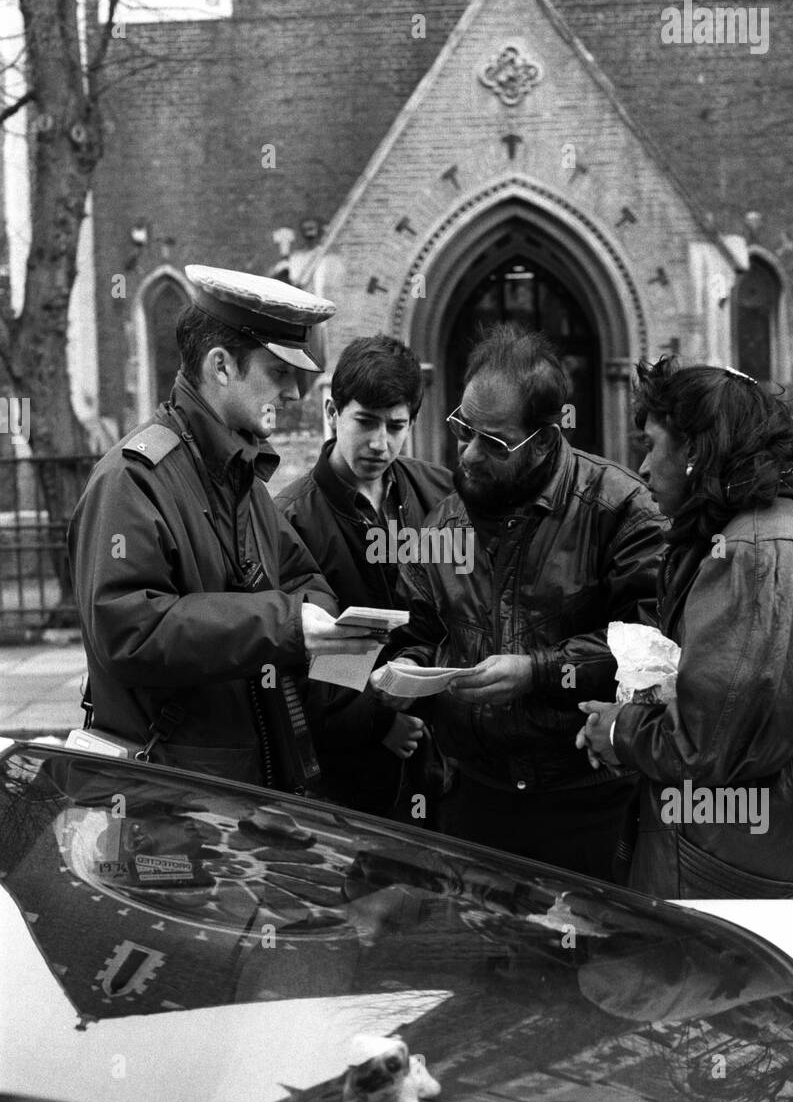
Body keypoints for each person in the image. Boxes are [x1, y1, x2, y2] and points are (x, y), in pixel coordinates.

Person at [68, 265, 381, 788]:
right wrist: (284, 625)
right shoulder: (131, 478)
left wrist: (315, 627)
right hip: (169, 799)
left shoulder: (244, 479)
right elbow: (128, 631)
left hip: (243, 789)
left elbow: (308, 587)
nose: (295, 394)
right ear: (221, 367)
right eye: (280, 373)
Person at [374, 321, 667, 878]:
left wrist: (537, 671)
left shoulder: (620, 507)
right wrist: (404, 675)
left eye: (495, 441)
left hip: (588, 801)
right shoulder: (443, 520)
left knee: (587, 960)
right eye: (463, 429)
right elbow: (419, 632)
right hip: (473, 801)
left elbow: (651, 648)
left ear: (546, 435)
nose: (469, 454)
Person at [577, 356, 793, 898]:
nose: (644, 469)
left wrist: (618, 731)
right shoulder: (741, 536)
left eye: (652, 446)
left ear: (696, 450)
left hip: (740, 879)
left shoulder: (756, 551)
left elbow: (709, 743)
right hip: (731, 860)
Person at [276, 334, 452, 816]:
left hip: (443, 748)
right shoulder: (290, 519)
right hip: (350, 769)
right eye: (366, 422)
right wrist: (378, 718)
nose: (380, 443)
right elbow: (303, 649)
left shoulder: (440, 492)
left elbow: (456, 607)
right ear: (332, 413)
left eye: (396, 426)